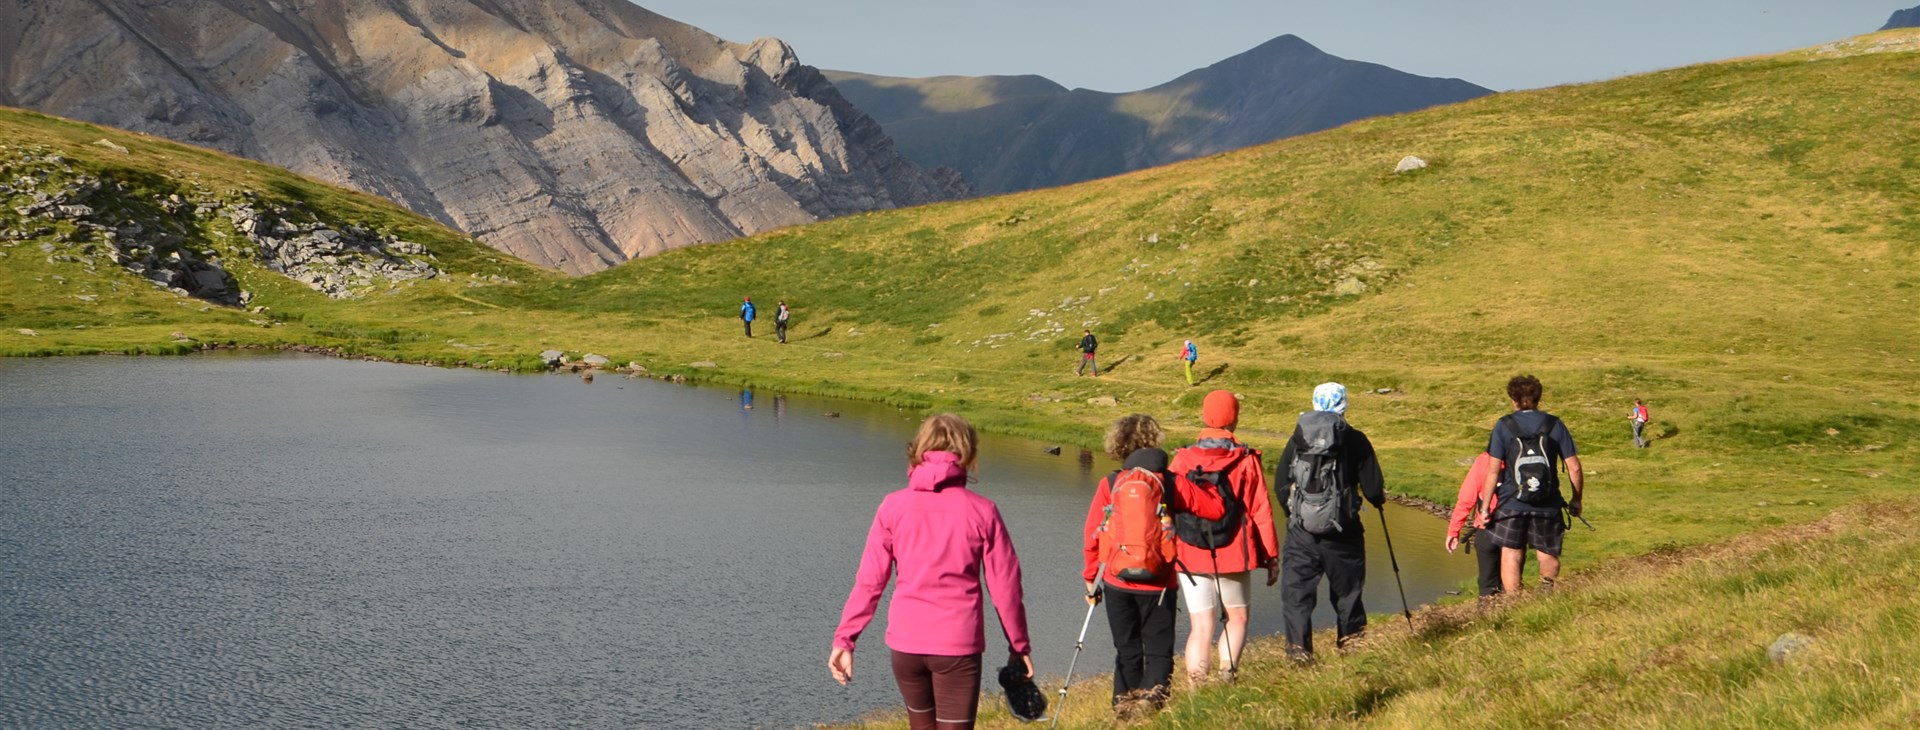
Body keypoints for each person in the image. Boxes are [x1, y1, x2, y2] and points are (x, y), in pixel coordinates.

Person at [831, 414, 1032, 730]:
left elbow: (870, 581)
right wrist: (1018, 647)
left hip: (906, 646)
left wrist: (845, 640)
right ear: (967, 452)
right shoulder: (983, 511)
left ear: (920, 449)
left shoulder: (892, 507)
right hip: (957, 646)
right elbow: (1005, 587)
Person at [1080, 414, 1226, 713]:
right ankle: (1151, 701)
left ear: (1119, 444)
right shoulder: (1170, 482)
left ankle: (1123, 706)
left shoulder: (1111, 482)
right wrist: (1208, 486)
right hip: (1158, 582)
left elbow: (1093, 533)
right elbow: (1214, 510)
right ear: (1155, 441)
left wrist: (1091, 577)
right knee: (1158, 650)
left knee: (1127, 649)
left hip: (1117, 580)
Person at [1168, 390, 1278, 684]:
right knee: (1237, 617)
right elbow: (1260, 510)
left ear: (1205, 416)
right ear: (1234, 418)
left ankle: (1196, 688)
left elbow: (1168, 506)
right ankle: (1227, 677)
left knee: (1200, 625)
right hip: (1232, 551)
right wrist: (1271, 557)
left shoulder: (1182, 459)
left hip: (1190, 552)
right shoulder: (1245, 459)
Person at [1276, 383, 1385, 658]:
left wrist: (1297, 516)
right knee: (1348, 595)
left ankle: (1299, 655)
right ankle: (1353, 651)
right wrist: (1377, 501)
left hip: (1302, 534)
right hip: (1344, 533)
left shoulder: (1298, 437)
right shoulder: (1356, 439)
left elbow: (1280, 485)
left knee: (1297, 596)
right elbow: (1373, 489)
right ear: (1343, 404)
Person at [1474, 375, 1584, 594]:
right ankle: (1547, 591)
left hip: (1511, 501)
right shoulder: (1554, 424)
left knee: (1511, 552)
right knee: (1547, 551)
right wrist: (1576, 499)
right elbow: (1575, 468)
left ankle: (1514, 600)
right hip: (1548, 501)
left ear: (1513, 399)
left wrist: (1485, 508)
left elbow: (1493, 471)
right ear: (1538, 398)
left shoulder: (1504, 425)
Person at [1443, 451, 1511, 598]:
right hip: (1514, 528)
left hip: (1486, 527)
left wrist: (1454, 531)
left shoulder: (1484, 459)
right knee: (1512, 581)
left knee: (1487, 583)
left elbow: (1466, 499)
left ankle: (1486, 610)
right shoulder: (1519, 456)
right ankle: (1515, 608)